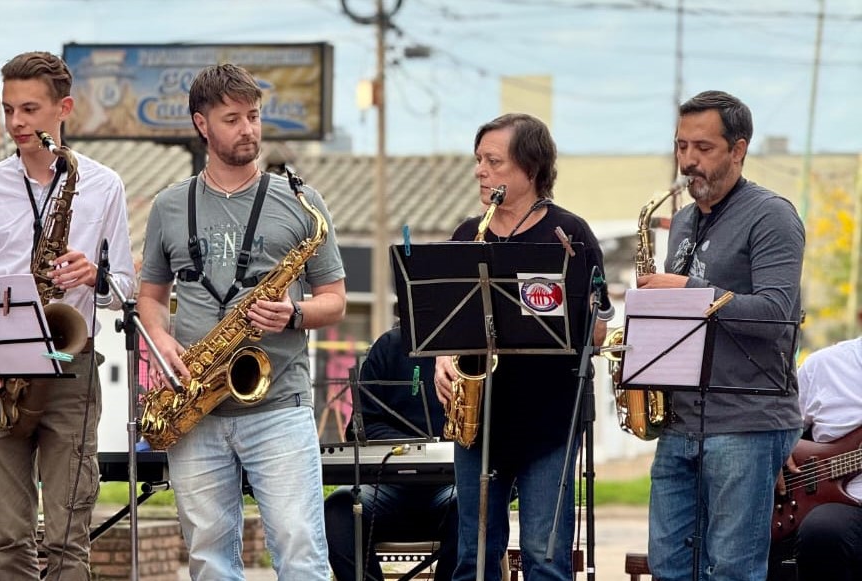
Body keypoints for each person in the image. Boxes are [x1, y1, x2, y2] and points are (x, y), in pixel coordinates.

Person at [137, 63, 346, 579]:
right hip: (195, 405)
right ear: (201, 124)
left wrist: (293, 313)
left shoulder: (302, 202)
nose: (248, 129)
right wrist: (159, 336)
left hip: (279, 405)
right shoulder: (169, 205)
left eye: (253, 116)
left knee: (300, 550)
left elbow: (335, 301)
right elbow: (151, 297)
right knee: (208, 558)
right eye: (232, 119)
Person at [0, 51, 135, 579]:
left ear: (63, 109)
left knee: (69, 540)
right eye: (8, 110)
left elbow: (127, 288)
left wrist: (94, 276)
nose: (16, 122)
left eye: (29, 109)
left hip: (71, 366)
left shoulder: (103, 184)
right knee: (9, 541)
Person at [433, 113, 609, 581]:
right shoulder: (467, 234)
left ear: (530, 169)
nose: (480, 171)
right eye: (478, 160)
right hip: (479, 420)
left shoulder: (571, 234)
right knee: (473, 557)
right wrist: (442, 359)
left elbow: (597, 332)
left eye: (493, 162)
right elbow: (443, 324)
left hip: (549, 422)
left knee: (544, 559)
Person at [636, 90, 804, 580]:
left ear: (738, 149)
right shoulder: (683, 221)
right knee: (668, 567)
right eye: (681, 146)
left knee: (732, 570)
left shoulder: (771, 215)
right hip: (680, 422)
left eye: (703, 148)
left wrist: (687, 290)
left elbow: (776, 312)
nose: (688, 160)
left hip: (746, 422)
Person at [324, 326, 459, 581]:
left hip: (454, 489)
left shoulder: (476, 350)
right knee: (337, 510)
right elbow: (363, 426)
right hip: (386, 488)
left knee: (474, 509)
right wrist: (421, 449)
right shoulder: (390, 345)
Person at [767, 337, 862, 580]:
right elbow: (775, 426)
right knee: (822, 530)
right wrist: (777, 450)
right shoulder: (824, 365)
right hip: (841, 507)